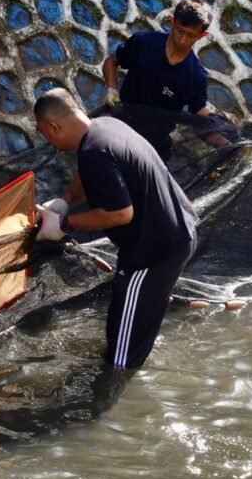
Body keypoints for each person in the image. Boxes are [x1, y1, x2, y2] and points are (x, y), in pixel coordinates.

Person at [33, 89, 198, 370]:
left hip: (154, 252)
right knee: (130, 322)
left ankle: (114, 404)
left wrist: (64, 225)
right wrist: (66, 201)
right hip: (177, 230)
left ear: (54, 126)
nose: (46, 140)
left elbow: (120, 214)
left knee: (120, 359)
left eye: (43, 133)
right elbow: (88, 176)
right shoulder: (105, 127)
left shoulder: (94, 152)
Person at [101, 0, 219, 160]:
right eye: (180, 30)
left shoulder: (196, 76)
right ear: (172, 21)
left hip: (152, 145)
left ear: (202, 35)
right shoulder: (144, 42)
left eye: (191, 35)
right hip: (120, 125)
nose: (183, 40)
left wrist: (228, 147)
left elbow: (200, 122)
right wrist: (112, 89)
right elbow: (112, 62)